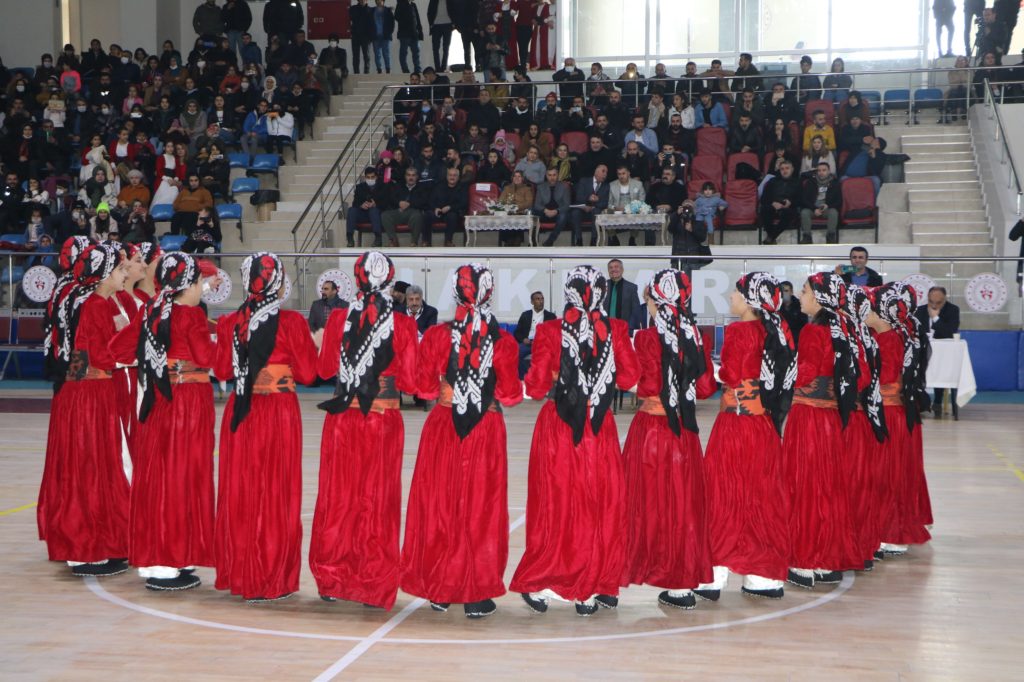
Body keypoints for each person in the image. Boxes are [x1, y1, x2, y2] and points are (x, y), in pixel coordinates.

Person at [510, 266, 640, 616]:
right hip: (599, 428)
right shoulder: (616, 329)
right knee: (601, 501)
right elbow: (630, 377)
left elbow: (537, 387)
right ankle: (596, 583)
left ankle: (553, 579)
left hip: (559, 428)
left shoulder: (550, 331)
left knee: (558, 503)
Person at [400, 264, 522, 618]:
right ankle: (476, 592)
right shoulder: (504, 341)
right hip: (485, 429)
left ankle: (441, 586)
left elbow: (422, 388)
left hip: (443, 425)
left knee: (442, 503)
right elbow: (511, 395)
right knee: (480, 508)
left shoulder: (438, 336)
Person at [311, 251, 418, 609]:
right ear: (389, 280)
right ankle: (374, 581)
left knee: (339, 496)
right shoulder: (402, 323)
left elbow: (324, 369)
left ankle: (332, 577)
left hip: (342, 418)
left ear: (355, 279)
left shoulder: (340, 317)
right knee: (378, 499)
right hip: (383, 419)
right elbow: (412, 380)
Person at [108, 253, 217, 592]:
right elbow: (209, 359)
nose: (202, 289)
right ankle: (170, 560)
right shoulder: (191, 315)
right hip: (188, 405)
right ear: (190, 285)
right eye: (200, 282)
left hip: (157, 402)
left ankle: (168, 559)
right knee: (184, 477)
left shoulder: (150, 311)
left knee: (160, 475)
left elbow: (117, 349)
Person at [213, 252, 319, 603]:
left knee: (241, 491)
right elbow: (307, 373)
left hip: (241, 412)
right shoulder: (291, 323)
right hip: (277, 413)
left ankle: (242, 572)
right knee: (275, 493)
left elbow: (223, 372)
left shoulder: (229, 321)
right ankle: (271, 575)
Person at [698, 272, 797, 601]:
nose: (730, 297)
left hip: (735, 427)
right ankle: (761, 576)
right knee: (760, 497)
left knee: (723, 494)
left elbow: (731, 374)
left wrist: (711, 369)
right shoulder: (777, 332)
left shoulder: (740, 331)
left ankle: (712, 575)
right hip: (762, 427)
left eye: (736, 292)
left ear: (750, 299)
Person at [621, 269, 716, 609]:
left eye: (646, 298)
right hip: (685, 435)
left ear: (655, 299)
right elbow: (705, 389)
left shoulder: (647, 339)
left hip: (651, 431)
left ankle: (618, 577)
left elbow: (643, 385)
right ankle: (681, 585)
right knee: (682, 505)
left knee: (640, 506)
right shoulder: (696, 336)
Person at [38, 243, 130, 577]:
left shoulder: (93, 301)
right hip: (90, 392)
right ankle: (84, 549)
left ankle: (102, 541)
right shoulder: (94, 305)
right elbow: (98, 355)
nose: (124, 274)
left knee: (99, 467)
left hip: (91, 389)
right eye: (119, 270)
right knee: (89, 467)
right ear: (104, 275)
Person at [784, 273, 863, 589]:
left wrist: (780, 370)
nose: (800, 297)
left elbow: (803, 375)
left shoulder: (813, 332)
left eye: (804, 291)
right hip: (830, 419)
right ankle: (827, 560)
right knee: (826, 487)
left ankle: (805, 560)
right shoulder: (843, 329)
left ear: (818, 297)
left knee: (805, 485)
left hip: (809, 418)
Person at [870, 282, 933, 555]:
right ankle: (900, 524)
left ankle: (892, 531)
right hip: (900, 412)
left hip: (890, 412)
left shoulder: (888, 339)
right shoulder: (903, 332)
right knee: (900, 471)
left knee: (888, 474)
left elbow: (882, 381)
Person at [914, 286, 961, 416]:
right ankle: (919, 401)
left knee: (942, 369)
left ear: (945, 299)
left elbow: (950, 331)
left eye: (938, 302)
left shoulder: (952, 310)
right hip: (922, 351)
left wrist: (935, 318)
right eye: (931, 302)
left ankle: (938, 402)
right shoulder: (919, 310)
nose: (934, 305)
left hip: (944, 353)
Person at [383, 167, 430, 246]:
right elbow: (391, 199)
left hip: (413, 212)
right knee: (385, 215)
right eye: (408, 175)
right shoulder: (398, 186)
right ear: (405, 176)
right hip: (399, 211)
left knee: (417, 215)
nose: (411, 177)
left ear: (417, 177)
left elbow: (424, 202)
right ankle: (394, 241)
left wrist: (410, 204)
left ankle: (414, 242)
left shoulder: (422, 188)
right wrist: (399, 203)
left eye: (413, 175)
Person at [346, 166, 392, 248]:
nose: (370, 179)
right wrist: (361, 205)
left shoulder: (384, 186)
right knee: (351, 210)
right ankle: (350, 238)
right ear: (365, 177)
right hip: (363, 213)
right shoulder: (360, 187)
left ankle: (378, 239)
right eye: (368, 177)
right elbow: (355, 203)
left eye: (372, 177)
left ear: (376, 177)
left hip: (377, 214)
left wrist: (376, 204)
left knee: (374, 210)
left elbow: (387, 203)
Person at [513, 290, 555, 378]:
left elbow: (554, 334)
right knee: (515, 353)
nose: (541, 301)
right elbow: (517, 332)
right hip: (528, 343)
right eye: (538, 299)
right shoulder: (525, 315)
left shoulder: (550, 316)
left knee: (549, 355)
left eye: (542, 299)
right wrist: (523, 339)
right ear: (532, 302)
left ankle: (542, 380)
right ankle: (525, 378)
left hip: (543, 344)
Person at [566, 163, 610, 247]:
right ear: (596, 172)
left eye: (606, 172)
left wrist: (597, 201)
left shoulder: (606, 186)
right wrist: (588, 198)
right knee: (575, 213)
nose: (605, 174)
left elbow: (606, 202)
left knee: (596, 212)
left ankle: (593, 240)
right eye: (603, 171)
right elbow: (579, 197)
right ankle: (579, 240)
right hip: (583, 209)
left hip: (595, 210)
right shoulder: (584, 181)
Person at [800, 162, 842, 244]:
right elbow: (804, 199)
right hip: (813, 207)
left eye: (824, 170)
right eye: (819, 170)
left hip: (827, 208)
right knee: (804, 212)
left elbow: (839, 201)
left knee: (834, 212)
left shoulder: (835, 183)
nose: (821, 172)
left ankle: (830, 236)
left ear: (829, 171)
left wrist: (828, 205)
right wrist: (814, 208)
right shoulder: (811, 182)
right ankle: (807, 237)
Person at [429, 166, 468, 246]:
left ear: (458, 177)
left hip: (453, 213)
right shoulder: (439, 186)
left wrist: (450, 207)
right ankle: (426, 241)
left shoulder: (463, 187)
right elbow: (431, 200)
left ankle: (448, 241)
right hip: (438, 212)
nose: (452, 177)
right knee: (427, 215)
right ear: (447, 176)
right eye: (450, 175)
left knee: (452, 216)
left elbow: (464, 203)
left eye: (454, 175)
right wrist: (435, 208)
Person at [534, 167, 571, 246]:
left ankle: (550, 240)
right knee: (533, 212)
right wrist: (545, 210)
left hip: (558, 213)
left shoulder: (564, 186)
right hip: (544, 212)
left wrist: (556, 211)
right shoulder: (541, 187)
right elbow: (537, 204)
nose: (552, 177)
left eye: (554, 175)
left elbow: (566, 205)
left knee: (563, 216)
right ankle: (533, 241)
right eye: (549, 175)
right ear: (546, 176)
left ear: (557, 175)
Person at [396, 0, 424, 74]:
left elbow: (417, 19)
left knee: (416, 53)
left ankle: (418, 70)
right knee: (403, 53)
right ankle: (405, 70)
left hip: (414, 34)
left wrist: (420, 32)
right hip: (404, 34)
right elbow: (396, 16)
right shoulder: (400, 4)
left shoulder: (413, 5)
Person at [371, 0, 396, 74]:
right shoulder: (372, 10)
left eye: (380, 0)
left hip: (385, 36)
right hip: (375, 36)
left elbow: (392, 22)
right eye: (377, 0)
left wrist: (389, 33)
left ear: (383, 1)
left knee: (386, 53)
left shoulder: (388, 10)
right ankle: (379, 70)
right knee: (377, 54)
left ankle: (388, 70)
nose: (379, 1)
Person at [350, 0, 374, 75]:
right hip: (355, 36)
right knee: (355, 56)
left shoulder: (370, 9)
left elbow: (372, 23)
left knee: (366, 56)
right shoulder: (353, 8)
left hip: (366, 37)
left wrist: (370, 36)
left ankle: (366, 72)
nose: (362, 0)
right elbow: (352, 18)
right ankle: (356, 72)